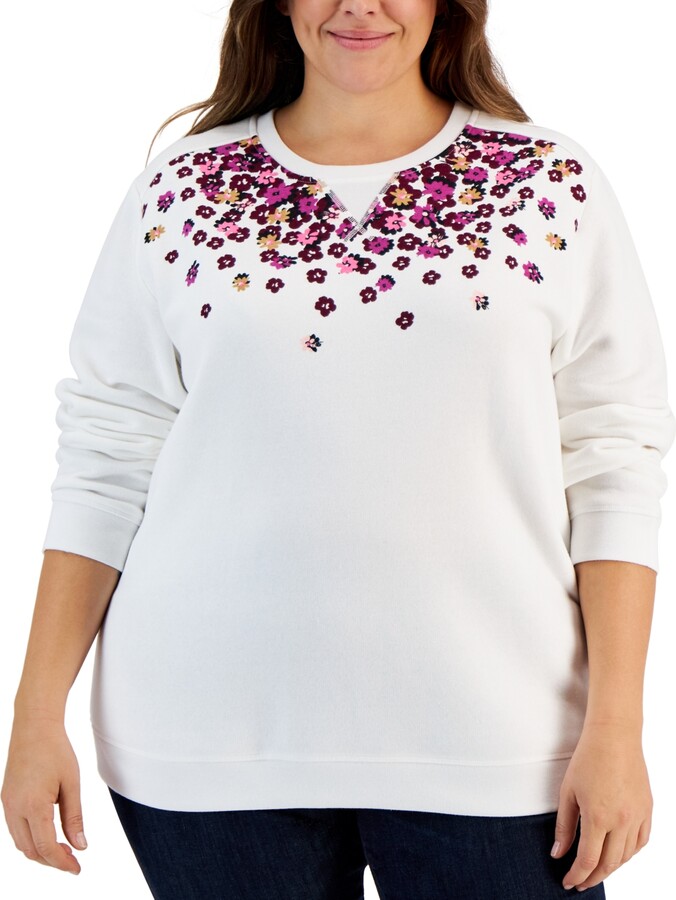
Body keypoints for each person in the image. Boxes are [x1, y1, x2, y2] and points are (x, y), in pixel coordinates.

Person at [2, 0, 674, 897]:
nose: (360, 5)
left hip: (501, 738)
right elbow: (107, 453)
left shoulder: (552, 182)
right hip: (205, 741)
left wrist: (619, 726)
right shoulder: (183, 188)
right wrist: (35, 712)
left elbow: (613, 456)